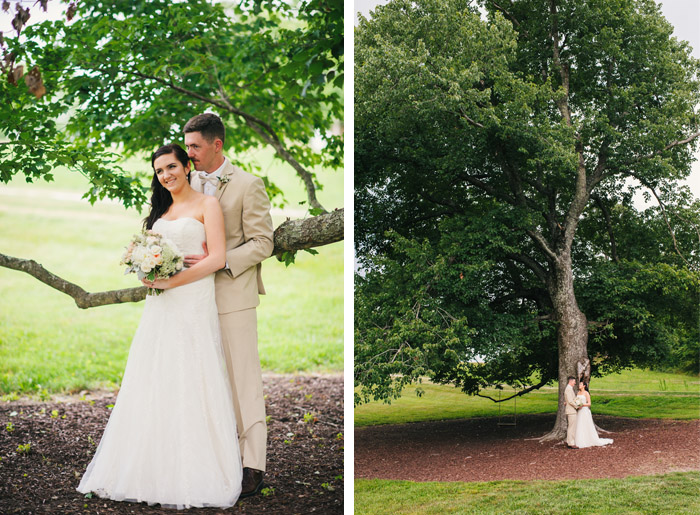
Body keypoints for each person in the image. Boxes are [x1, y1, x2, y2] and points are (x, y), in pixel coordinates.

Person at [77, 144, 243, 508]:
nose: (165, 175)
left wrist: (172, 281)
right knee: (154, 375)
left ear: (187, 167)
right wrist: (147, 271)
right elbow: (152, 256)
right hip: (161, 306)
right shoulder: (160, 212)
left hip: (192, 301)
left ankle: (193, 472)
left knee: (190, 375)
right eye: (159, 171)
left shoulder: (207, 205)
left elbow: (217, 258)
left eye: (171, 167)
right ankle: (146, 469)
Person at [183, 113, 274, 497]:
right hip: (187, 299)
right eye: (186, 146)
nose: (189, 154)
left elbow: (262, 242)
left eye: (195, 147)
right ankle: (207, 457)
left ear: (216, 145)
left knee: (242, 381)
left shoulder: (248, 185)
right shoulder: (180, 180)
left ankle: (252, 463)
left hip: (232, 297)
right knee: (198, 380)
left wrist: (221, 260)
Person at [574, 381, 614, 448]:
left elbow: (589, 403)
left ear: (584, 386)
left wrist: (582, 405)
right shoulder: (578, 393)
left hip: (584, 411)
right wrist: (577, 405)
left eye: (581, 384)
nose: (579, 385)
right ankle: (578, 439)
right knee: (579, 424)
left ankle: (587, 439)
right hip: (579, 411)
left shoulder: (586, 393)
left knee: (585, 424)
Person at [564, 376, 580, 449]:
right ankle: (571, 443)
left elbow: (568, 400)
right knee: (572, 428)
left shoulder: (569, 389)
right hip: (571, 411)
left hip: (570, 410)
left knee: (571, 427)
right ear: (571, 381)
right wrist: (577, 406)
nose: (575, 383)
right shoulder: (568, 389)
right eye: (574, 381)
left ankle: (569, 441)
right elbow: (570, 401)